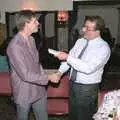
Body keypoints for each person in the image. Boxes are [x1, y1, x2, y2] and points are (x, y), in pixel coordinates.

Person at [51, 16, 111, 120]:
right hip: (73, 84)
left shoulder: (103, 48)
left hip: (87, 89)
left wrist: (67, 57)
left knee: (83, 117)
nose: (83, 30)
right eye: (84, 26)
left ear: (98, 31)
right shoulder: (80, 41)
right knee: (73, 116)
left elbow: (88, 68)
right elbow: (69, 60)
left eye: (88, 28)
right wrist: (59, 72)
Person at [7, 10, 59, 120]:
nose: (38, 24)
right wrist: (48, 77)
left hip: (39, 88)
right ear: (26, 24)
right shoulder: (15, 46)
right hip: (24, 91)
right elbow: (24, 75)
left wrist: (45, 73)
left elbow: (36, 63)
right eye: (35, 21)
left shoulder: (31, 39)